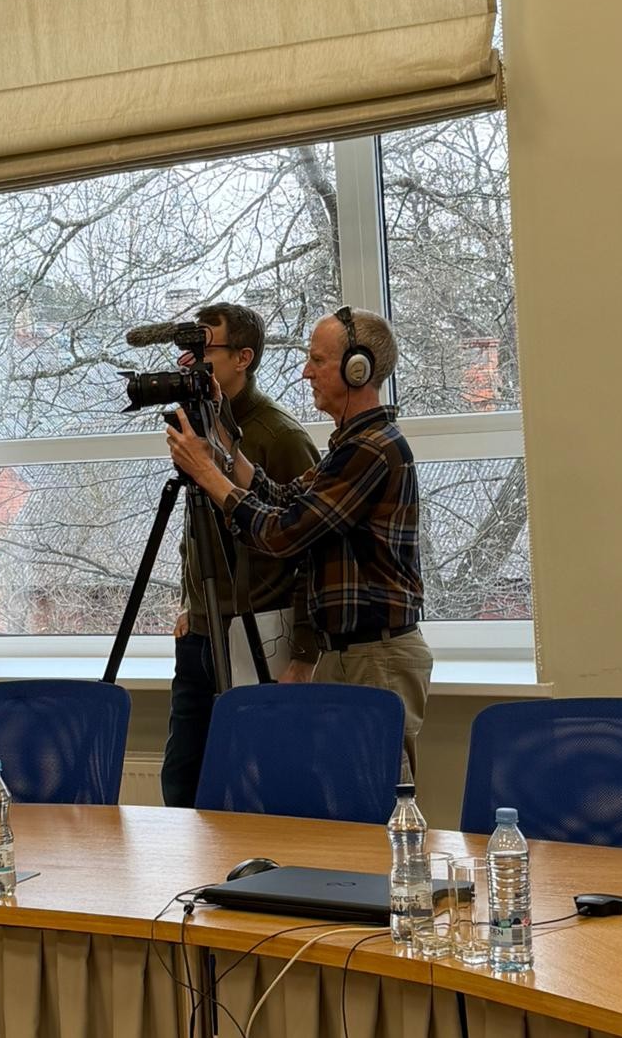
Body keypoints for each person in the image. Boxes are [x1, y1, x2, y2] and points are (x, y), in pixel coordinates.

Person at [165, 306, 431, 780]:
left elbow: (284, 532)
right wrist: (221, 437)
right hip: (349, 654)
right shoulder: (348, 446)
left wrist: (208, 475)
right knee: (336, 799)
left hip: (373, 657)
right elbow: (282, 496)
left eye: (318, 360)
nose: (306, 371)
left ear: (358, 369)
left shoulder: (373, 449)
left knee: (376, 800)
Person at [161, 303, 320, 807]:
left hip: (259, 629)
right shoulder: (198, 428)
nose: (191, 360)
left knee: (261, 784)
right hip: (202, 631)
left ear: (242, 358)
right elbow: (197, 529)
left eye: (204, 348)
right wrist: (190, 600)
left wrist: (305, 652)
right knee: (182, 779)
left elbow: (310, 547)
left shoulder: (280, 436)